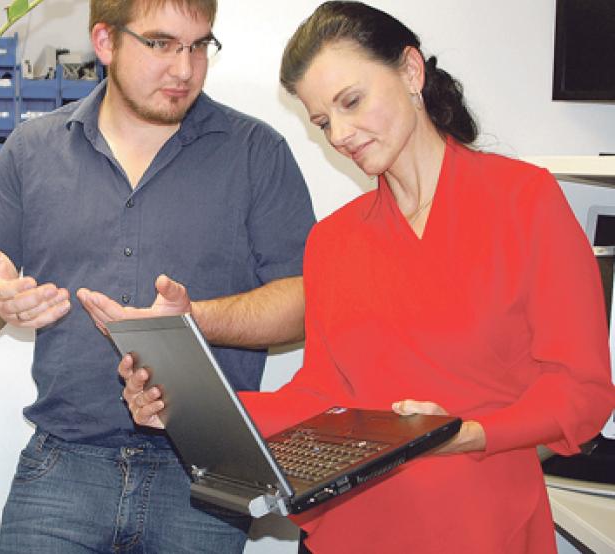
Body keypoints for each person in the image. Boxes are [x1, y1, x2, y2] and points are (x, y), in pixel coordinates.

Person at [119, 2, 615, 553]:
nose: (341, 135)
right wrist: (186, 406)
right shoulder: (334, 239)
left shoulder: (526, 202)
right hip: (354, 534)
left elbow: (582, 393)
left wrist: (468, 434)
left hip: (480, 526)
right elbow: (323, 396)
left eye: (351, 102)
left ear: (410, 72)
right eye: (324, 122)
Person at [0, 0, 315, 550]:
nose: (184, 69)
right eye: (160, 43)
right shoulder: (33, 149)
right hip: (64, 463)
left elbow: (307, 303)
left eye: (198, 45)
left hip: (204, 473)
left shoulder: (257, 153)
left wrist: (194, 321)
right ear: (105, 42)